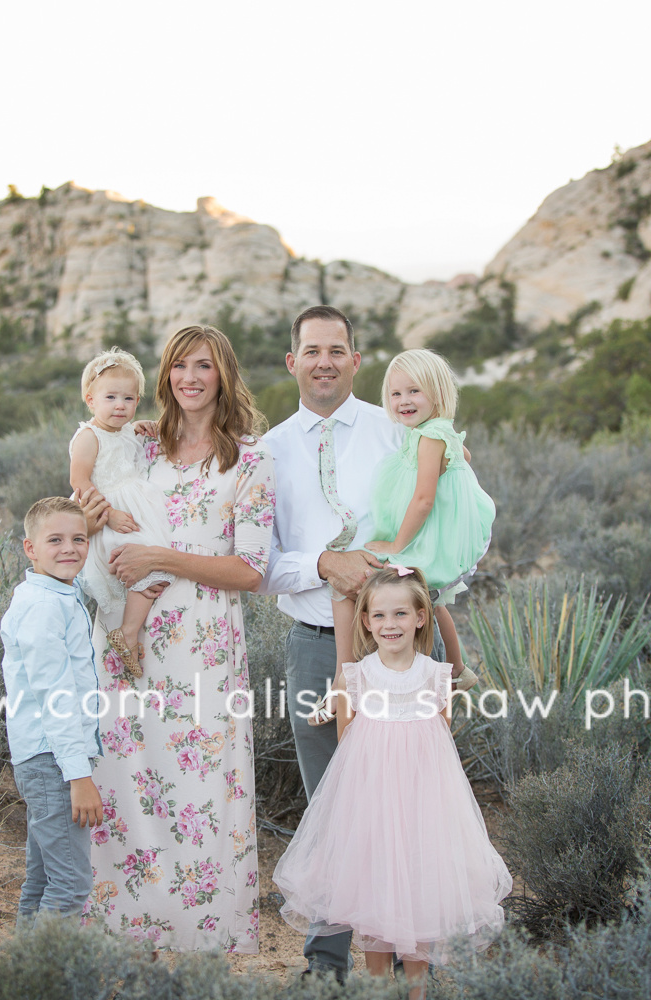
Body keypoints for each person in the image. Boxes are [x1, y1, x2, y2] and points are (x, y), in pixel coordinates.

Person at [83, 324, 275, 954]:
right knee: (126, 775)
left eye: (204, 366)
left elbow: (250, 571)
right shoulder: (141, 447)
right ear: (164, 377)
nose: (190, 378)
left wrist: (160, 556)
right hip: (128, 637)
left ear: (225, 373)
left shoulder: (250, 458)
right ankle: (124, 933)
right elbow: (97, 493)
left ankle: (197, 941)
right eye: (178, 367)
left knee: (199, 789)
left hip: (203, 643)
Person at [273, 566, 512, 1000]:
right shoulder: (355, 676)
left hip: (423, 803)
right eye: (380, 616)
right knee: (374, 892)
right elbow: (347, 745)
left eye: (401, 614)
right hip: (371, 803)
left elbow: (440, 742)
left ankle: (418, 990)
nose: (390, 624)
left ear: (422, 616)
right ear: (365, 622)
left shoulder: (437, 676)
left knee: (419, 888)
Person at [259, 305, 408, 980]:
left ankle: (406, 952)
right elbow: (259, 562)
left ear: (356, 359)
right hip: (315, 644)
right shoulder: (268, 451)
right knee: (330, 803)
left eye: (337, 350)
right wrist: (323, 564)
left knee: (400, 798)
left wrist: (400, 577)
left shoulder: (396, 430)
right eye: (311, 350)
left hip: (398, 649)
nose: (324, 361)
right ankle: (326, 963)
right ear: (292, 362)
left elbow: (461, 524)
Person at [325, 347, 491, 717]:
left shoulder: (429, 437)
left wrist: (397, 543)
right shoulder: (435, 432)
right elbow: (463, 458)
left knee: (341, 585)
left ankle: (342, 680)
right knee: (431, 597)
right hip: (433, 536)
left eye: (415, 391)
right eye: (396, 394)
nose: (404, 401)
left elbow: (423, 499)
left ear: (438, 392)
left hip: (423, 537)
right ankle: (459, 668)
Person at [0, 497, 104, 922]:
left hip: (46, 757)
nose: (69, 549)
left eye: (78, 539)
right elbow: (55, 698)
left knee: (42, 879)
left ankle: (24, 976)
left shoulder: (56, 593)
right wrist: (78, 776)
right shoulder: (44, 607)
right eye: (55, 540)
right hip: (54, 762)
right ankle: (49, 978)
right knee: (71, 884)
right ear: (30, 549)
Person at [70, 347, 174, 677]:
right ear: (90, 400)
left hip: (138, 506)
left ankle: (131, 632)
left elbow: (128, 438)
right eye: (110, 397)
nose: (119, 406)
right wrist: (110, 514)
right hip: (108, 514)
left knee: (156, 567)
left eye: (128, 399)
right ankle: (127, 634)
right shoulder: (89, 436)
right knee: (145, 569)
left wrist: (138, 424)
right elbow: (80, 481)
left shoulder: (126, 429)